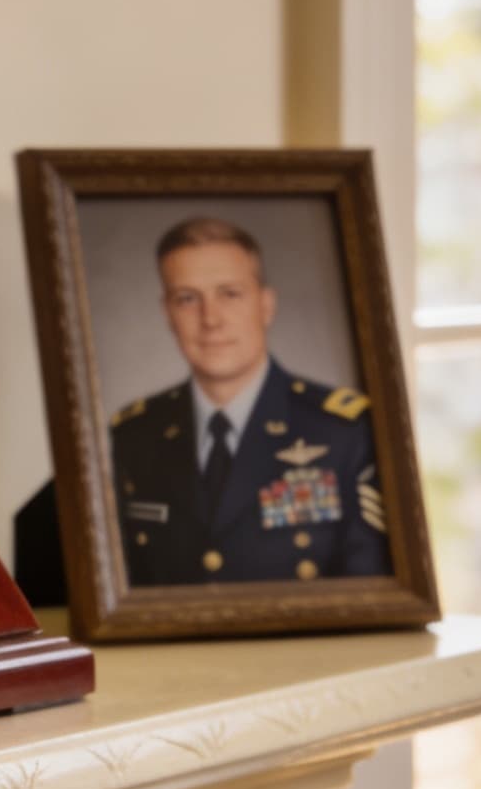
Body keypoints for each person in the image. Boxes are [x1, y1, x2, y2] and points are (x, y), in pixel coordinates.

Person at [108, 217, 388, 586]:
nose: (211, 319)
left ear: (266, 305)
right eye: (187, 298)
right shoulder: (133, 436)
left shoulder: (347, 431)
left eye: (229, 293)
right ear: (167, 314)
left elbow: (372, 593)